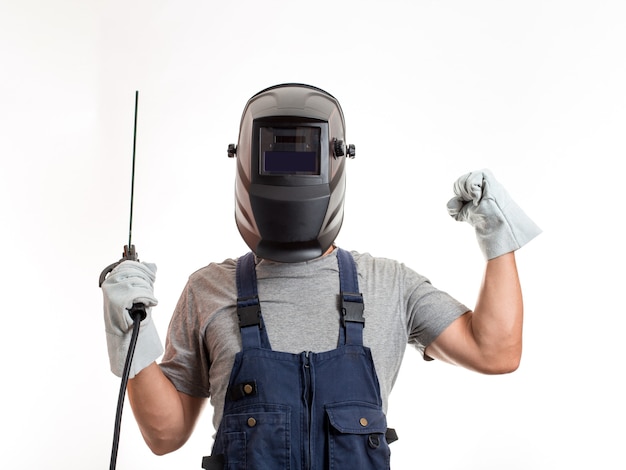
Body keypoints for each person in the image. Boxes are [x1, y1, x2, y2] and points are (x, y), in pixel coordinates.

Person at [101, 83, 541, 469]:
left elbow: (496, 351)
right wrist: (131, 333)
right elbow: (165, 435)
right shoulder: (208, 289)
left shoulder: (388, 284)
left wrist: (496, 235)